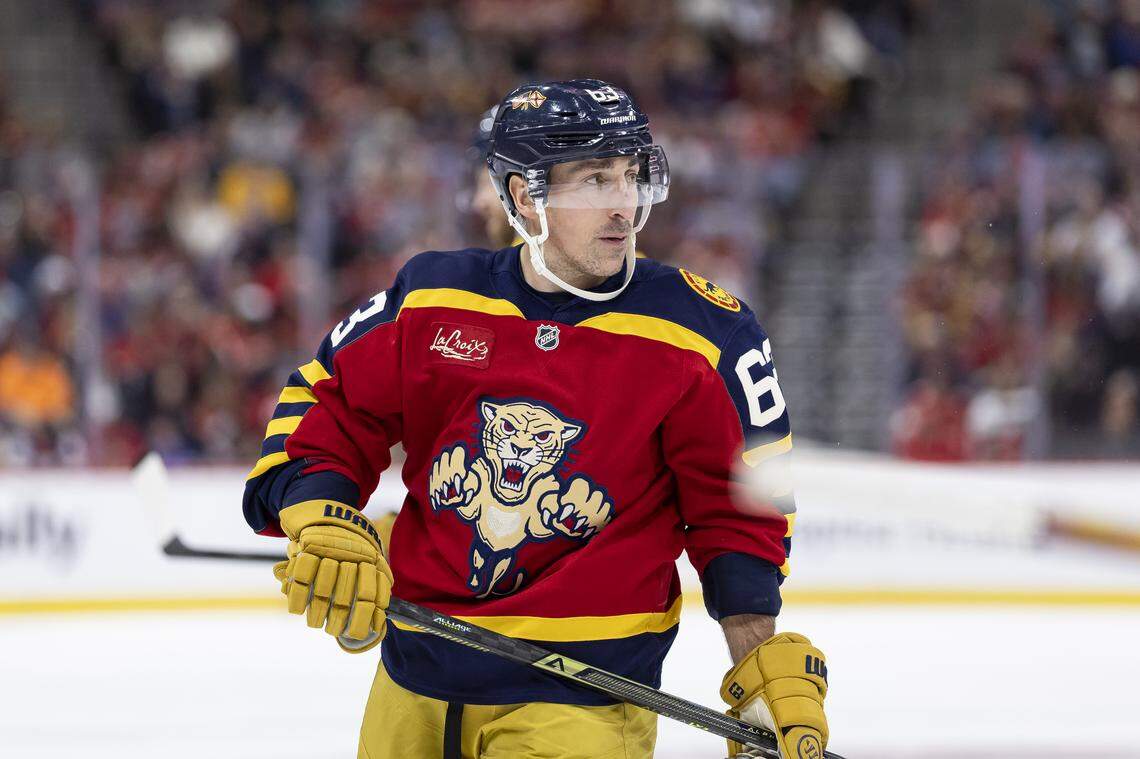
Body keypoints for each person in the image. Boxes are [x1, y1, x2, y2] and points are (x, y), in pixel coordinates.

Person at [242, 79, 828, 759]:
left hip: (579, 702)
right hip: (412, 678)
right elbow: (330, 405)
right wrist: (321, 515)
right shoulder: (432, 296)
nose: (624, 204)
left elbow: (740, 515)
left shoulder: (704, 335)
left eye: (631, 175)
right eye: (595, 180)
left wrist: (756, 664)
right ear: (525, 196)